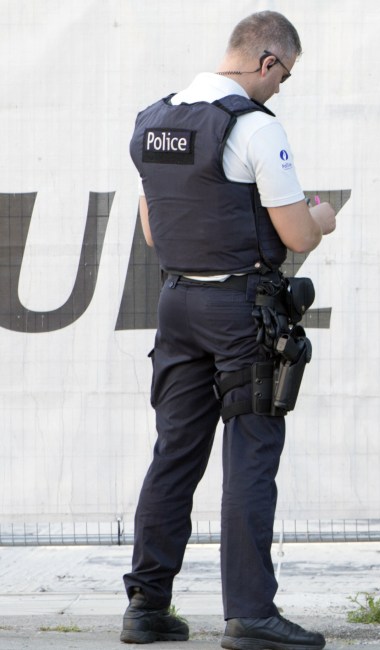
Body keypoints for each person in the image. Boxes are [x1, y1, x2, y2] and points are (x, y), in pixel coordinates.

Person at [121, 11, 336, 649]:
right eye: (284, 75)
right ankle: (251, 615)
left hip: (177, 302)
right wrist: (322, 216)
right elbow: (297, 234)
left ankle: (147, 607)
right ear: (267, 61)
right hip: (242, 313)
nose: (280, 88)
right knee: (251, 457)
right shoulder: (254, 127)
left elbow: (155, 231)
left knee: (174, 455)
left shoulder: (151, 120)